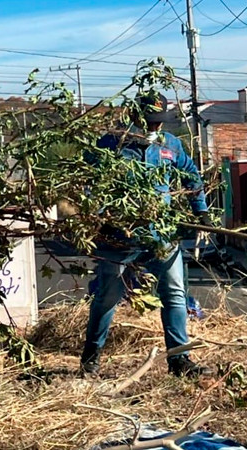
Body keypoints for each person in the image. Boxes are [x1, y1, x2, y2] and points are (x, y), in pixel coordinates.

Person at [80, 93, 213, 378]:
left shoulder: (170, 145)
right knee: (107, 296)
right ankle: (90, 358)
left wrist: (200, 210)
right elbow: (87, 180)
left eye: (157, 123)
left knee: (175, 293)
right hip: (118, 236)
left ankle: (179, 360)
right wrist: (97, 214)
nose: (154, 128)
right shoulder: (111, 143)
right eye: (149, 122)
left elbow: (191, 175)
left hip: (161, 236)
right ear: (134, 118)